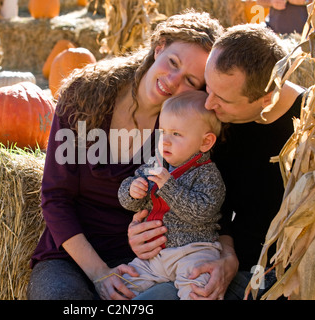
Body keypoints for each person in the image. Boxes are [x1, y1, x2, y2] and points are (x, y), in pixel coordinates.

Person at [26, 10, 224, 300]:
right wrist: (99, 273)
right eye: (172, 63)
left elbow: (205, 204)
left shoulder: (188, 130)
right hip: (70, 258)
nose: (172, 80)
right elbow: (56, 198)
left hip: (148, 264)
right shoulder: (85, 95)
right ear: (159, 47)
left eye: (190, 81)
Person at [128, 23, 307, 300]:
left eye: (221, 98)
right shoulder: (219, 121)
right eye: (207, 88)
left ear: (267, 98)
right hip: (214, 262)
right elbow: (212, 205)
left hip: (289, 277)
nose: (208, 104)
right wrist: (142, 228)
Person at [117, 90, 225, 300]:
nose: (165, 141)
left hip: (194, 252)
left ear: (205, 142)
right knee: (123, 286)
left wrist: (168, 186)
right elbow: (128, 200)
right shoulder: (157, 163)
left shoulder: (207, 174)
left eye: (176, 134)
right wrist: (132, 190)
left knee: (198, 291)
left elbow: (202, 211)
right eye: (163, 131)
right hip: (154, 257)